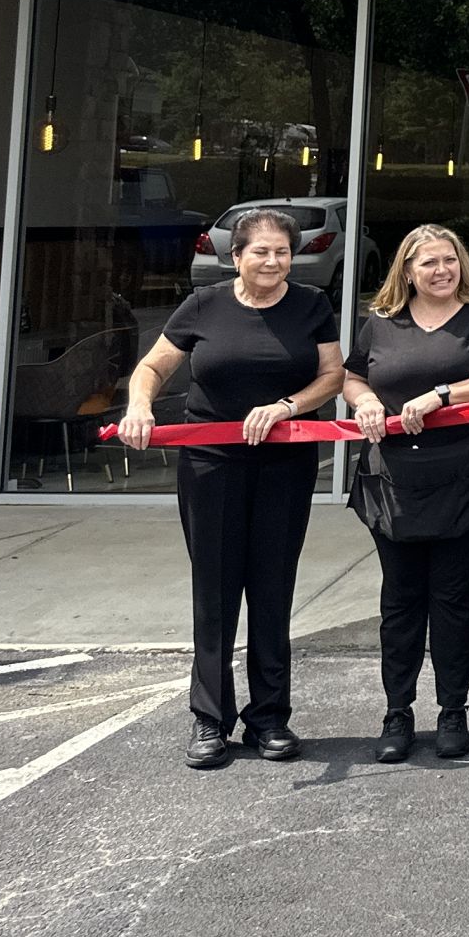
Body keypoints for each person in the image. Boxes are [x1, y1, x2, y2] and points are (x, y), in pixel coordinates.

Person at [117, 206, 345, 769]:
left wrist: (288, 405)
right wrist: (139, 405)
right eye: (261, 251)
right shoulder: (203, 305)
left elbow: (332, 376)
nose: (273, 261)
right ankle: (209, 720)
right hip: (210, 465)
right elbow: (152, 367)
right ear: (235, 257)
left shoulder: (312, 306)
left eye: (283, 251)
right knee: (214, 592)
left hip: (284, 466)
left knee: (272, 588)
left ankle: (270, 719)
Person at [342, 224, 469, 764]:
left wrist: (442, 395)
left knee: (451, 599)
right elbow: (352, 377)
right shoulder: (381, 322)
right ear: (407, 271)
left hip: (466, 480)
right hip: (393, 482)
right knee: (399, 602)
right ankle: (398, 712)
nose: (441, 270)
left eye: (449, 260)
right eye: (428, 263)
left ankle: (452, 711)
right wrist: (365, 401)